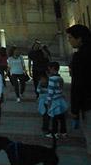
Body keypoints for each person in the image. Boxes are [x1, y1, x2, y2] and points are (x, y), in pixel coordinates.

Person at [67, 24, 91, 156]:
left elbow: (77, 85)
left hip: (88, 103)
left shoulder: (79, 57)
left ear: (80, 38)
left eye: (70, 37)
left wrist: (74, 110)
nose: (69, 40)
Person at [39, 61, 68, 138]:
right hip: (60, 99)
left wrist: (48, 102)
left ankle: (54, 133)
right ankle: (63, 132)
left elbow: (50, 92)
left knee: (54, 118)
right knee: (62, 117)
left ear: (53, 68)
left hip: (54, 101)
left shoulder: (52, 79)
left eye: (50, 68)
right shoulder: (60, 78)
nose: (49, 70)